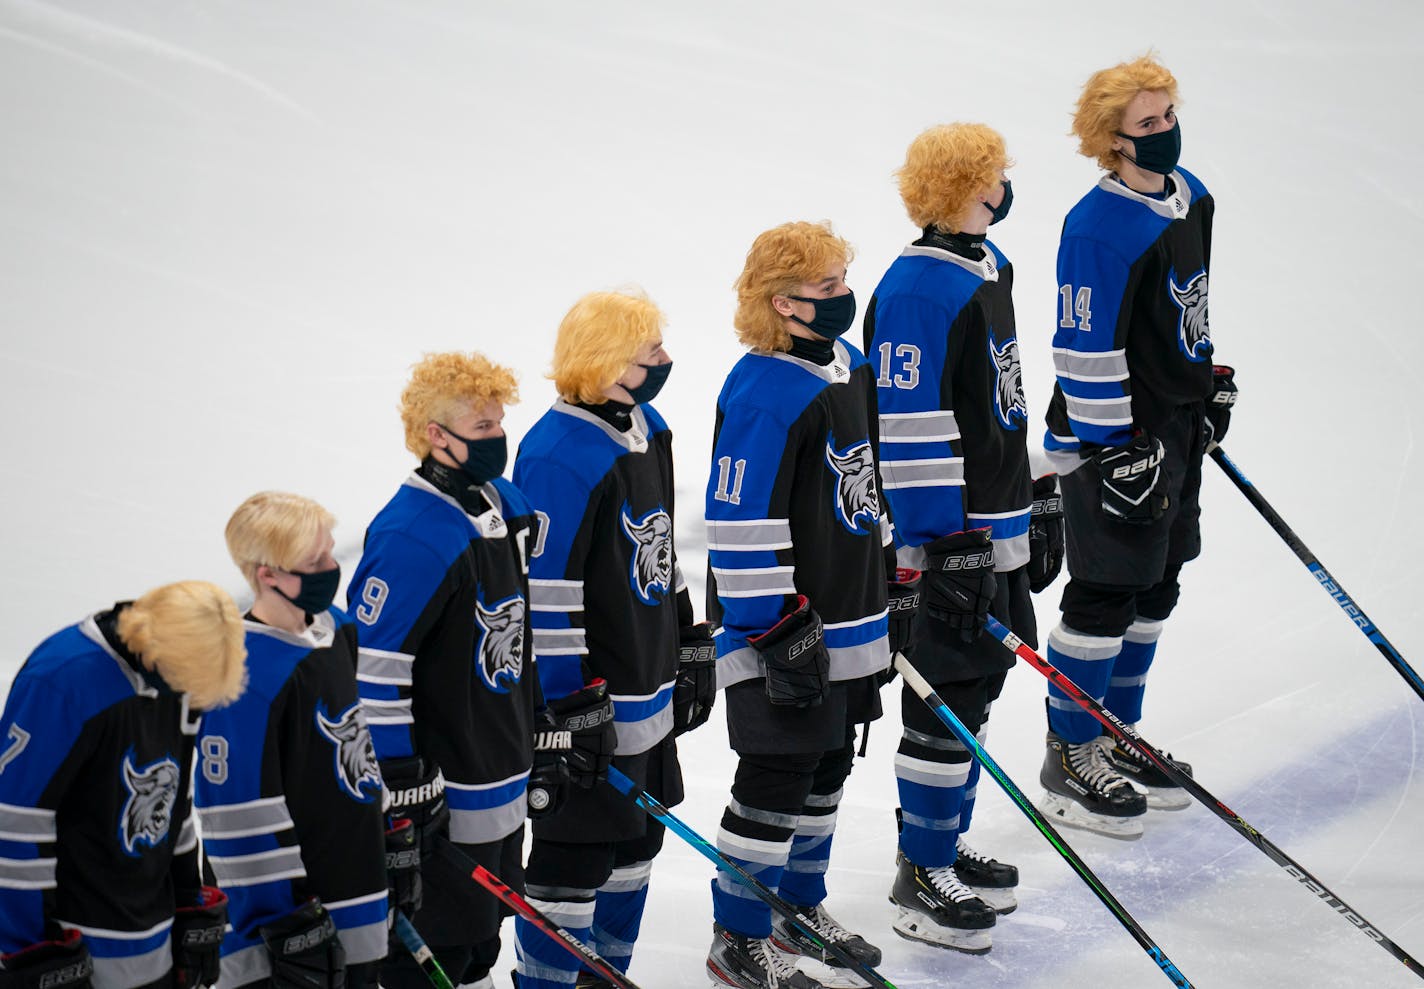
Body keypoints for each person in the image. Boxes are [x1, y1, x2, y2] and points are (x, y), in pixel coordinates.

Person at [864, 123, 1061, 953]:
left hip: (994, 528)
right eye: (991, 176)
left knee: (977, 692)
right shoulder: (914, 289)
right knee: (942, 703)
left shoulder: (986, 265)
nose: (1004, 186)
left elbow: (998, 402)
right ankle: (920, 870)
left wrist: (1036, 494)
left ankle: (943, 841)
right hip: (948, 546)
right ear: (955, 191)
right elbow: (907, 430)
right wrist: (945, 548)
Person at [1039, 54, 1236, 838]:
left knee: (1158, 582)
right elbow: (1082, 346)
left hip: (1175, 425)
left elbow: (1191, 306)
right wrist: (1113, 443)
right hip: (1114, 436)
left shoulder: (1193, 200)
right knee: (1106, 588)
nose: (1165, 133)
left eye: (1167, 117)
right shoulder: (1095, 228)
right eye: (1146, 125)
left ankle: (1117, 734)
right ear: (1111, 141)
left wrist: (1207, 376)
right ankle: (1072, 748)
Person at [704, 221, 892, 989]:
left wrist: (891, 571)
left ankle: (796, 904)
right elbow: (739, 521)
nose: (846, 297)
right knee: (774, 781)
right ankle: (737, 936)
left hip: (849, 617)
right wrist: (774, 629)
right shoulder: (762, 393)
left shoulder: (847, 367)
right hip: (785, 629)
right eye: (828, 288)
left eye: (845, 279)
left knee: (827, 768)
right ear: (782, 304)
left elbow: (865, 481)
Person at [512, 289, 711, 989]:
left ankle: (606, 977)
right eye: (647, 351)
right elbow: (544, 591)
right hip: (589, 700)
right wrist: (567, 705)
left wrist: (688, 634)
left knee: (637, 840)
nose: (664, 360)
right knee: (575, 857)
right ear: (603, 363)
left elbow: (658, 544)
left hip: (647, 679)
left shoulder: (647, 425)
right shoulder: (557, 455)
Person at [349, 353, 547, 989]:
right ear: (437, 435)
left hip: (499, 768)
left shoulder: (502, 502)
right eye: (483, 428)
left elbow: (518, 628)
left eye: (498, 423)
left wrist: (537, 725)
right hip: (443, 789)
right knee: (436, 951)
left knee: (480, 943)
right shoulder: (412, 536)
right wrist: (401, 781)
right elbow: (374, 672)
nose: (498, 439)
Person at [0, 581, 247, 989]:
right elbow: (13, 822)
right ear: (158, 649)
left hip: (154, 949)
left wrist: (188, 903)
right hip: (77, 950)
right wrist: (33, 951)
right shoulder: (62, 681)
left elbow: (175, 804)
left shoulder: (176, 675)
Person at [194, 492, 391, 989]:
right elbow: (234, 817)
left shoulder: (336, 627)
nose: (331, 568)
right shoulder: (239, 678)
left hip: (352, 881)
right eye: (314, 561)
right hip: (289, 920)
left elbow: (352, 742)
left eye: (329, 553)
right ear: (267, 575)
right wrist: (285, 923)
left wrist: (385, 824)